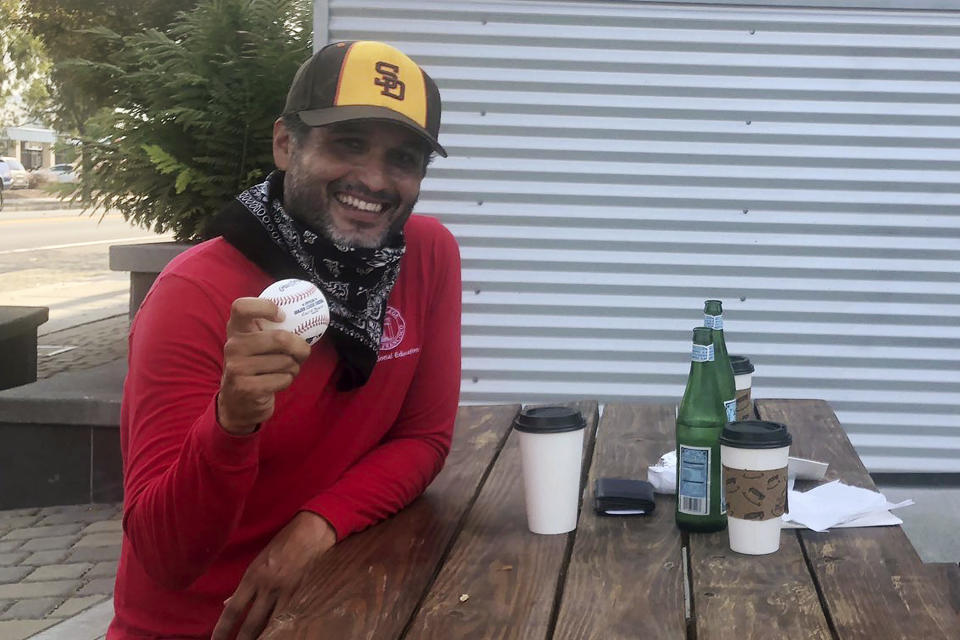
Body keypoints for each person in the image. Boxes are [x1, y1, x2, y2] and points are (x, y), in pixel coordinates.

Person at [108, 40, 461, 639]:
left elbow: (424, 437)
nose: (374, 180)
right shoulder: (193, 293)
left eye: (402, 158)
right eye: (347, 143)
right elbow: (165, 558)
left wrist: (315, 526)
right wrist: (231, 422)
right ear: (285, 144)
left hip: (340, 598)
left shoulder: (426, 256)